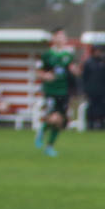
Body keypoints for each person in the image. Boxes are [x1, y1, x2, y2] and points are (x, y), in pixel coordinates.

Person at [34, 27, 78, 156]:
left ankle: (49, 146)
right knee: (53, 118)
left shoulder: (68, 55)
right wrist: (45, 76)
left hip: (64, 91)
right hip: (51, 91)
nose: (62, 38)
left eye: (63, 36)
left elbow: (73, 70)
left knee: (60, 121)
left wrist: (76, 71)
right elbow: (38, 71)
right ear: (53, 38)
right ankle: (42, 130)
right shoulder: (47, 55)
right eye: (59, 36)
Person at [81, 45, 105, 130]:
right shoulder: (88, 63)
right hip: (91, 90)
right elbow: (84, 77)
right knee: (91, 107)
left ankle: (101, 123)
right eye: (97, 51)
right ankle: (90, 124)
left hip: (102, 90)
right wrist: (85, 90)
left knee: (102, 107)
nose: (98, 52)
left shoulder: (104, 63)